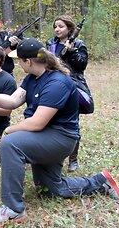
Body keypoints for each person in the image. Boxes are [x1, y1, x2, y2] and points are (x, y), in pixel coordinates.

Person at [0, 38, 119, 226]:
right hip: (45, 135)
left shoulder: (57, 83)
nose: (17, 63)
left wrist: (9, 130)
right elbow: (13, 101)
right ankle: (100, 182)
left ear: (28, 61)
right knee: (51, 187)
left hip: (60, 138)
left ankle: (13, 210)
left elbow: (37, 123)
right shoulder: (32, 78)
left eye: (19, 60)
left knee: (11, 143)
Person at [46, 15, 89, 172]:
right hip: (53, 86)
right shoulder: (50, 44)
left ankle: (73, 159)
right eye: (55, 26)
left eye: (61, 26)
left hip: (72, 87)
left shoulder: (78, 44)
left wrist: (71, 51)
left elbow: (82, 65)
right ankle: (53, 156)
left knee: (72, 123)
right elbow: (46, 62)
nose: (57, 29)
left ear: (69, 29)